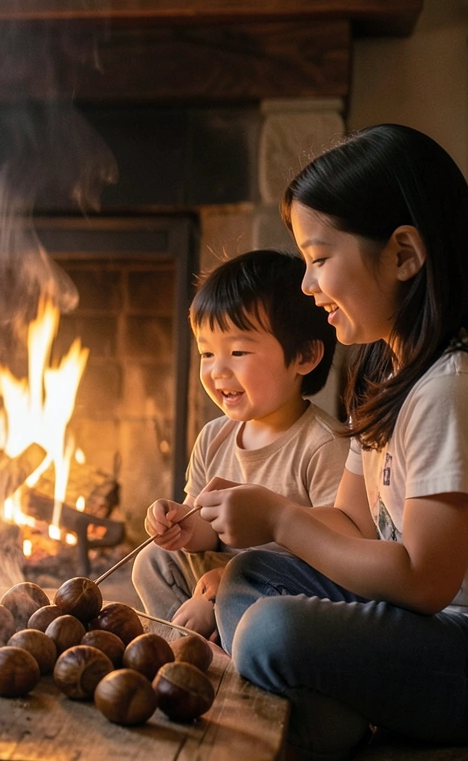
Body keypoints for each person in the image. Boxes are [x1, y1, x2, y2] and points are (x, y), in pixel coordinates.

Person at [199, 124, 468, 760]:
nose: (305, 285)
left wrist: (284, 519)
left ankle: (318, 720)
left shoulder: (455, 389)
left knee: (273, 629)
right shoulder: (384, 369)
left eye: (319, 259)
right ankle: (334, 719)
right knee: (248, 578)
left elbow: (425, 580)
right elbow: (352, 521)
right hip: (429, 627)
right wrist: (248, 517)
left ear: (404, 254)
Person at [132, 249, 347, 639]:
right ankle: (180, 646)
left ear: (304, 355)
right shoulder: (215, 437)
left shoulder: (322, 446)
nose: (217, 370)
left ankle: (222, 650)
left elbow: (338, 552)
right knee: (154, 560)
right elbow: (205, 530)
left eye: (238, 352)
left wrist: (227, 578)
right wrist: (178, 524)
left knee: (248, 594)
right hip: (216, 578)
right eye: (207, 353)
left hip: (277, 586)